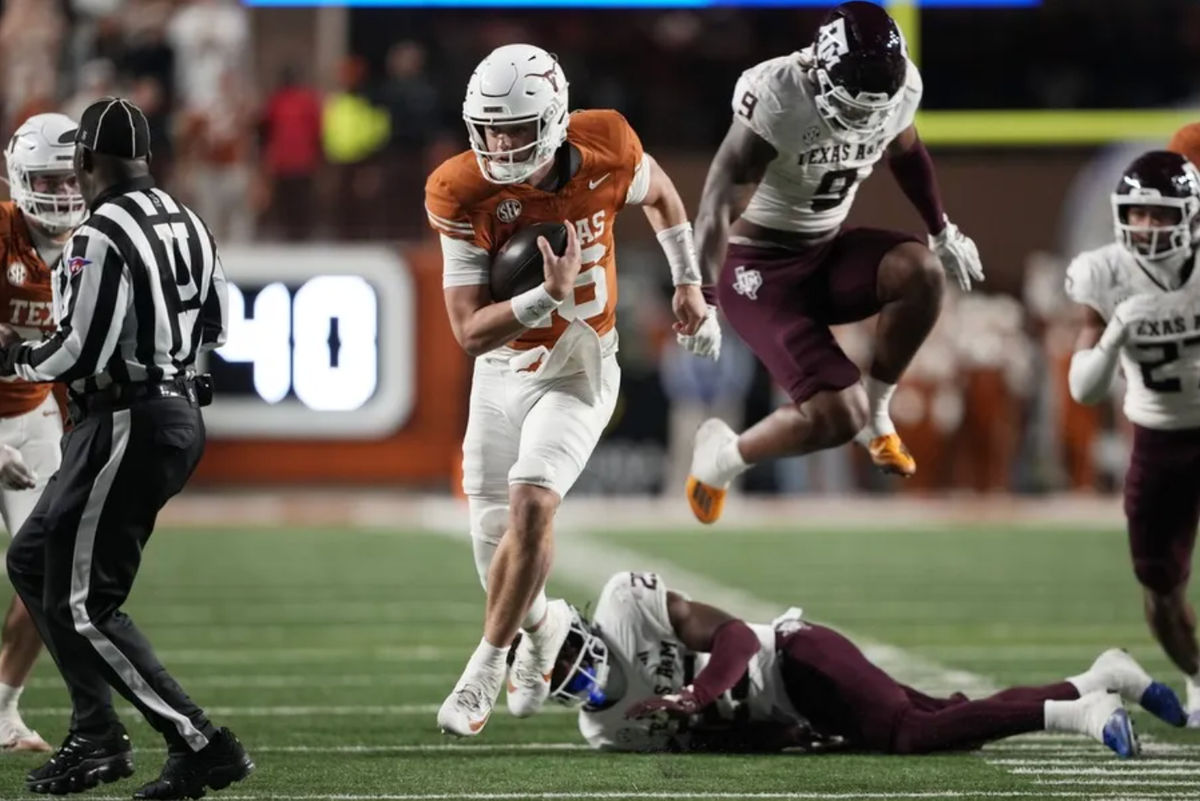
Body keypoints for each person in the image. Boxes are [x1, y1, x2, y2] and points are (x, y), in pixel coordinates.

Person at [424, 43, 720, 737]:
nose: (500, 145)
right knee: (493, 545)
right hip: (501, 371)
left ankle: (486, 665)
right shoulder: (458, 188)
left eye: (516, 130)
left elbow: (663, 195)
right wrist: (543, 296)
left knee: (532, 502)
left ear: (555, 120)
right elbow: (469, 332)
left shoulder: (608, 143)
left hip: (580, 364)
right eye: (489, 130)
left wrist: (687, 281)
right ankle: (547, 628)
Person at [2, 97, 252, 798]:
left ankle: (199, 742)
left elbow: (78, 350)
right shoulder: (188, 219)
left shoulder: (98, 231)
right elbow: (221, 320)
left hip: (124, 417)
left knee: (86, 604)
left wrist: (16, 358)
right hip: (169, 406)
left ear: (86, 159)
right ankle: (95, 732)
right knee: (31, 559)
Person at [686, 2, 984, 524]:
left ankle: (878, 410)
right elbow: (718, 199)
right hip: (760, 270)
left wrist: (941, 229)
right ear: (820, 74)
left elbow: (907, 153)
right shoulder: (779, 94)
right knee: (837, 416)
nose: (863, 121)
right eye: (852, 108)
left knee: (922, 272)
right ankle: (724, 456)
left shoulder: (900, 88)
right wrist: (702, 295)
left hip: (825, 252)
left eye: (874, 112)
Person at [547, 570, 1186, 755]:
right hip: (799, 707)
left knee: (912, 734)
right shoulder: (604, 730)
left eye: (570, 656)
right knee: (951, 719)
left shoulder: (624, 604)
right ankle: (1102, 676)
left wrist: (698, 692)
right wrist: (784, 738)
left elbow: (737, 635)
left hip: (794, 656)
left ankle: (1081, 714)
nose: (579, 675)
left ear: (582, 630)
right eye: (561, 679)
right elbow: (714, 740)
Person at [1065, 149, 1200, 728]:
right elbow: (1083, 390)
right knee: (1159, 586)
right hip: (1159, 435)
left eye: (1159, 214)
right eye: (1137, 213)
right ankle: (1198, 676)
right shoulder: (1105, 273)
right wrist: (1117, 330)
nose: (1145, 226)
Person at [0, 112, 87, 752]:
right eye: (48, 181)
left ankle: (3, 709)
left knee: (49, 570)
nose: (62, 194)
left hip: (33, 417)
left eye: (70, 179)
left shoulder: (96, 244)